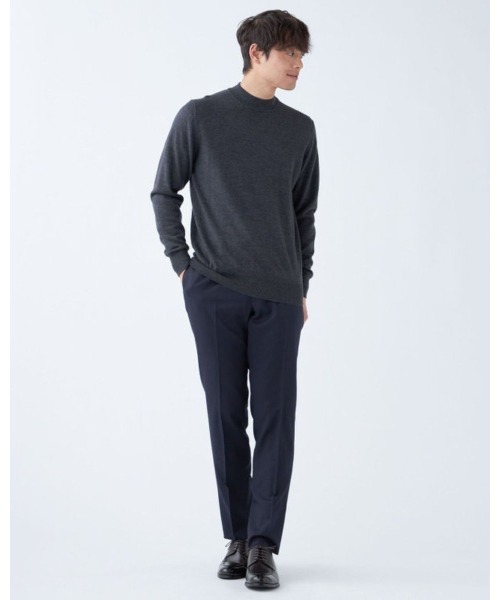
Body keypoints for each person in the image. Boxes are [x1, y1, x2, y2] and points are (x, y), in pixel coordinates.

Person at [150, 9, 320, 591]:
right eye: (290, 52)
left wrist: (301, 285)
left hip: (279, 298)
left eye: (301, 54)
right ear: (256, 53)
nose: (299, 64)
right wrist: (183, 267)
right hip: (214, 290)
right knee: (224, 417)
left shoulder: (300, 130)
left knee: (275, 420)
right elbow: (164, 191)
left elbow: (304, 215)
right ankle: (238, 537)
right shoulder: (200, 116)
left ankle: (264, 546)